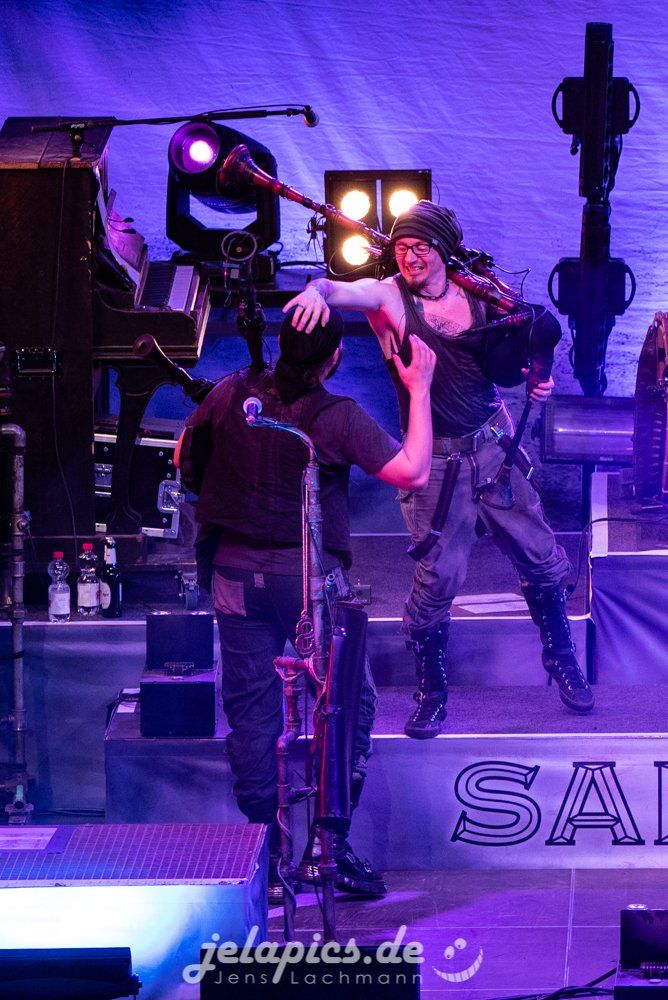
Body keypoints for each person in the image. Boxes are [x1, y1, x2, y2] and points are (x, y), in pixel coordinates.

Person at [284, 200, 594, 740]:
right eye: (402, 247)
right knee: (438, 579)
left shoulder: (480, 293)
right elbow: (340, 290)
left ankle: (562, 659)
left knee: (543, 558)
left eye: (421, 248)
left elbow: (532, 337)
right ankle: (431, 691)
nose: (410, 257)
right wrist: (316, 290)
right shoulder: (390, 297)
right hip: (438, 462)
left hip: (493, 449)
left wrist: (538, 377)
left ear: (444, 250)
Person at [179, 306, 435, 899]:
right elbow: (414, 472)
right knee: (345, 704)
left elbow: (184, 458)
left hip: (234, 575)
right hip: (308, 580)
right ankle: (329, 849)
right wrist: (419, 390)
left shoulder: (231, 393)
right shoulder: (337, 416)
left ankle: (267, 862)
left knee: (252, 716)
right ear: (334, 359)